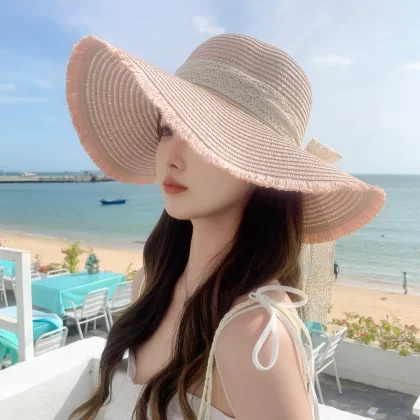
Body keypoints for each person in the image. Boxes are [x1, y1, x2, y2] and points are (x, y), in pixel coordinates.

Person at [66, 34, 386, 420]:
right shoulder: (150, 282)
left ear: (262, 166)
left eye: (203, 134)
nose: (171, 157)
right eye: (167, 129)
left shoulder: (252, 334)